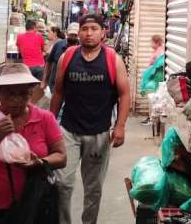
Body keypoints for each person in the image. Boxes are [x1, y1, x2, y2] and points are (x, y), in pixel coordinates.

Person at [0, 64, 67, 224]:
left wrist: (39, 162)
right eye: (10, 94)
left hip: (35, 204)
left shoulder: (44, 118)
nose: (16, 100)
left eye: (23, 94)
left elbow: (61, 157)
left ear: (31, 93)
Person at [50, 14, 130, 224]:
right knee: (61, 184)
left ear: (103, 33)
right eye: (85, 29)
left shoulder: (113, 59)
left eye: (94, 29)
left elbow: (124, 94)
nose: (88, 33)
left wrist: (120, 126)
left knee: (93, 189)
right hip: (68, 131)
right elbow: (58, 92)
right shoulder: (67, 57)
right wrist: (49, 124)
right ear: (79, 32)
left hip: (99, 134)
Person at [141, 35, 165, 125]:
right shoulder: (158, 50)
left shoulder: (160, 51)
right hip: (154, 77)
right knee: (152, 97)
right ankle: (151, 117)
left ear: (157, 42)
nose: (150, 44)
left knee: (152, 97)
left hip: (156, 77)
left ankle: (152, 118)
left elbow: (158, 65)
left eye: (152, 42)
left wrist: (151, 72)